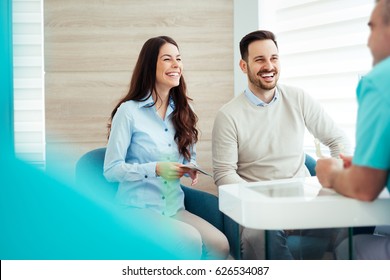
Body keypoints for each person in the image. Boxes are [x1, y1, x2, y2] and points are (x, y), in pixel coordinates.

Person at [212, 30, 351, 259]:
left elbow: (338, 140)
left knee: (354, 214)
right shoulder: (228, 115)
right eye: (259, 60)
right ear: (244, 66)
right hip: (260, 209)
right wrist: (268, 207)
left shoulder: (298, 98)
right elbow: (224, 174)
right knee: (262, 235)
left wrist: (333, 178)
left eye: (274, 58)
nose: (269, 66)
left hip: (303, 202)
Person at [103, 36, 229, 260]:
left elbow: (189, 157)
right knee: (189, 239)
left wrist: (189, 168)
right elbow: (111, 170)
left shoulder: (183, 111)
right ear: (150, 66)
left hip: (174, 209)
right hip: (137, 210)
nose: (176, 65)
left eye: (179, 59)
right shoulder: (128, 112)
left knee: (220, 244)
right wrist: (156, 168)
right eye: (167, 59)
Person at [316, 0, 390, 260]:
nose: (369, 42)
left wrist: (332, 173)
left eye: (372, 28)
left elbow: (364, 188)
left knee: (349, 246)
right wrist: (365, 164)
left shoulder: (381, 80)